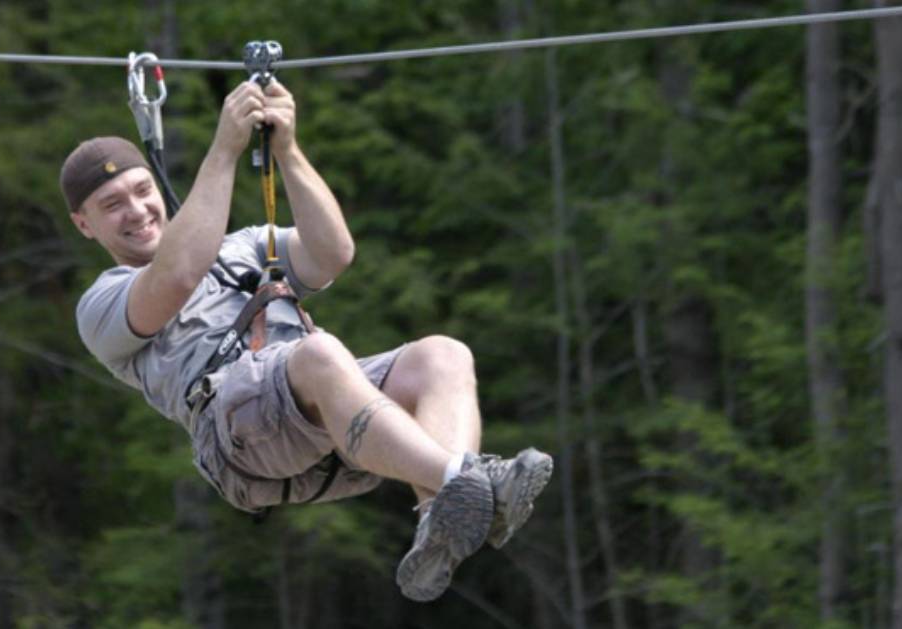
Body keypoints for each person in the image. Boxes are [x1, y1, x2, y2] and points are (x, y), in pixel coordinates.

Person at [61, 79, 553, 602]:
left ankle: (442, 517)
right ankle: (471, 481)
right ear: (84, 225)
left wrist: (288, 151)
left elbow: (332, 253)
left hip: (328, 421)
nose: (136, 210)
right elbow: (178, 274)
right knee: (318, 353)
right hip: (238, 438)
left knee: (443, 355)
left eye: (142, 191)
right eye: (112, 205)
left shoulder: (243, 247)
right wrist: (224, 149)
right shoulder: (101, 305)